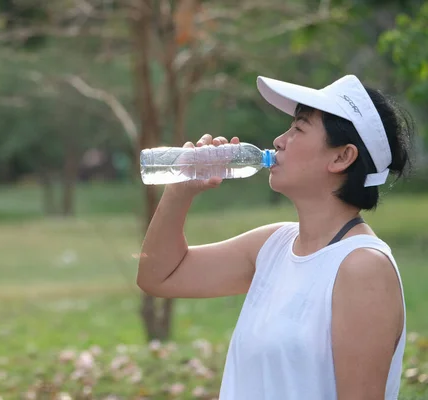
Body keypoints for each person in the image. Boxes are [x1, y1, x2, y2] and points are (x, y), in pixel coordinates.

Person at [136, 74, 416, 400]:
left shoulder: (362, 269)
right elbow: (158, 276)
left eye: (298, 128)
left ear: (342, 157)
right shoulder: (273, 246)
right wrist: (180, 191)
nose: (279, 140)